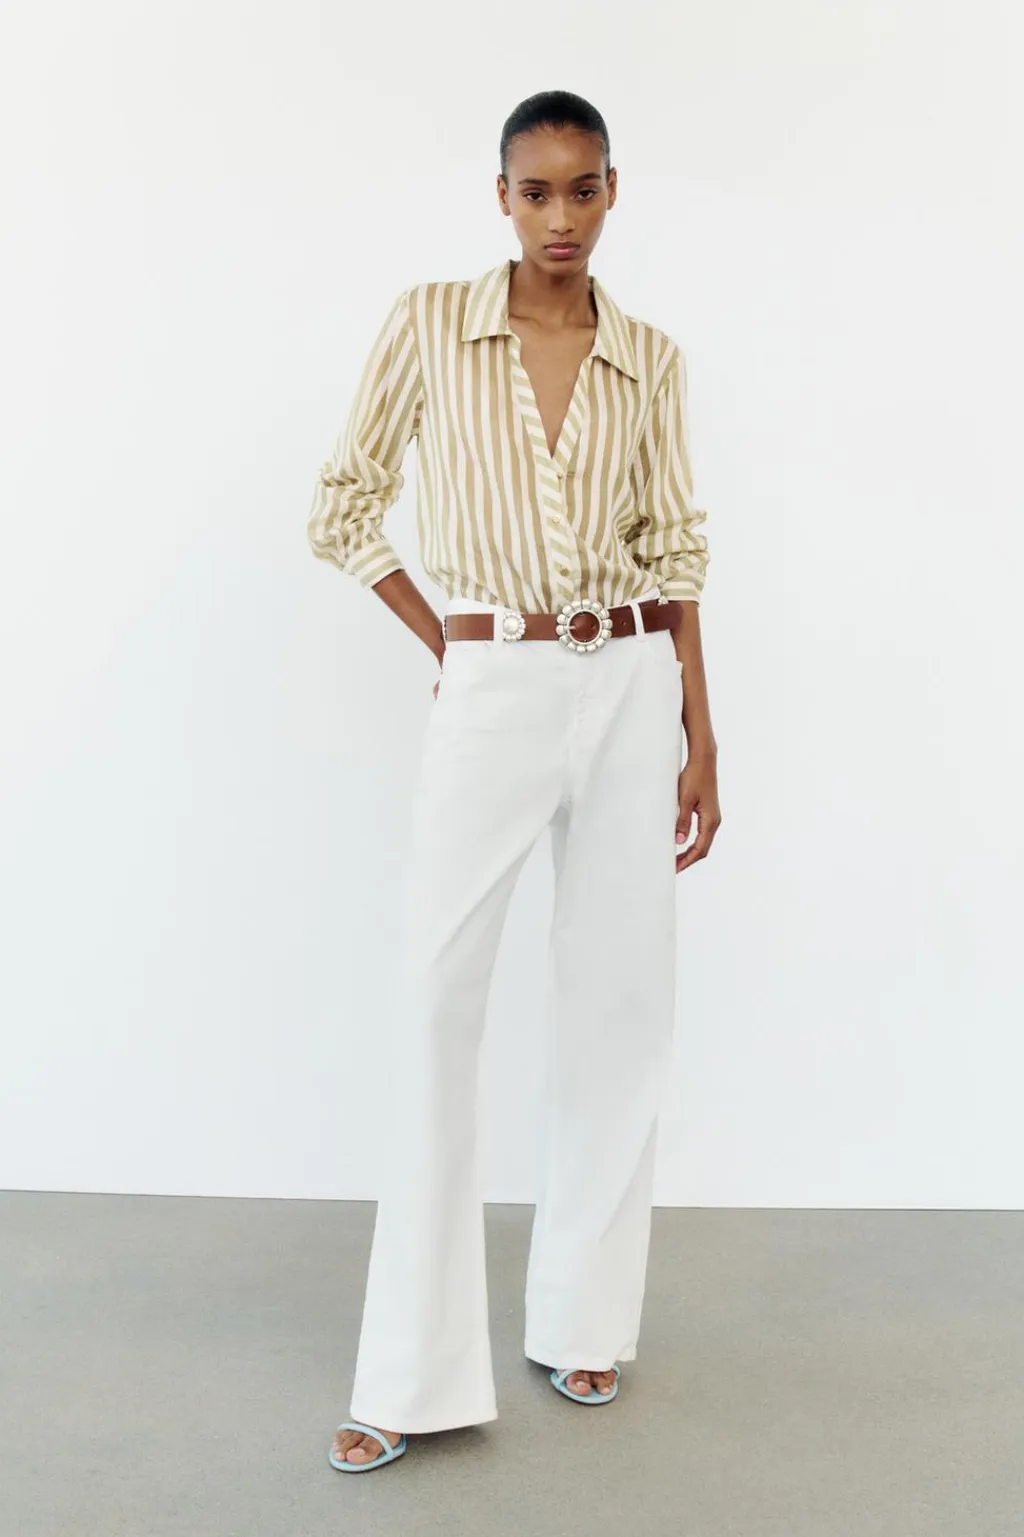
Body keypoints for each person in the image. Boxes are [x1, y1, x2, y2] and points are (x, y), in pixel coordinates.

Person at [307, 89, 721, 1473]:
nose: (560, 216)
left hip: (630, 681)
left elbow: (675, 551)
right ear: (501, 196)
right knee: (438, 1003)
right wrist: (452, 642)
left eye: (581, 189)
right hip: (495, 682)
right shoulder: (432, 324)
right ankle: (408, 1374)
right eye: (535, 191)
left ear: (612, 192)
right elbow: (341, 505)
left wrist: (700, 731)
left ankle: (584, 1317)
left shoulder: (649, 358)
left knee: (620, 1004)